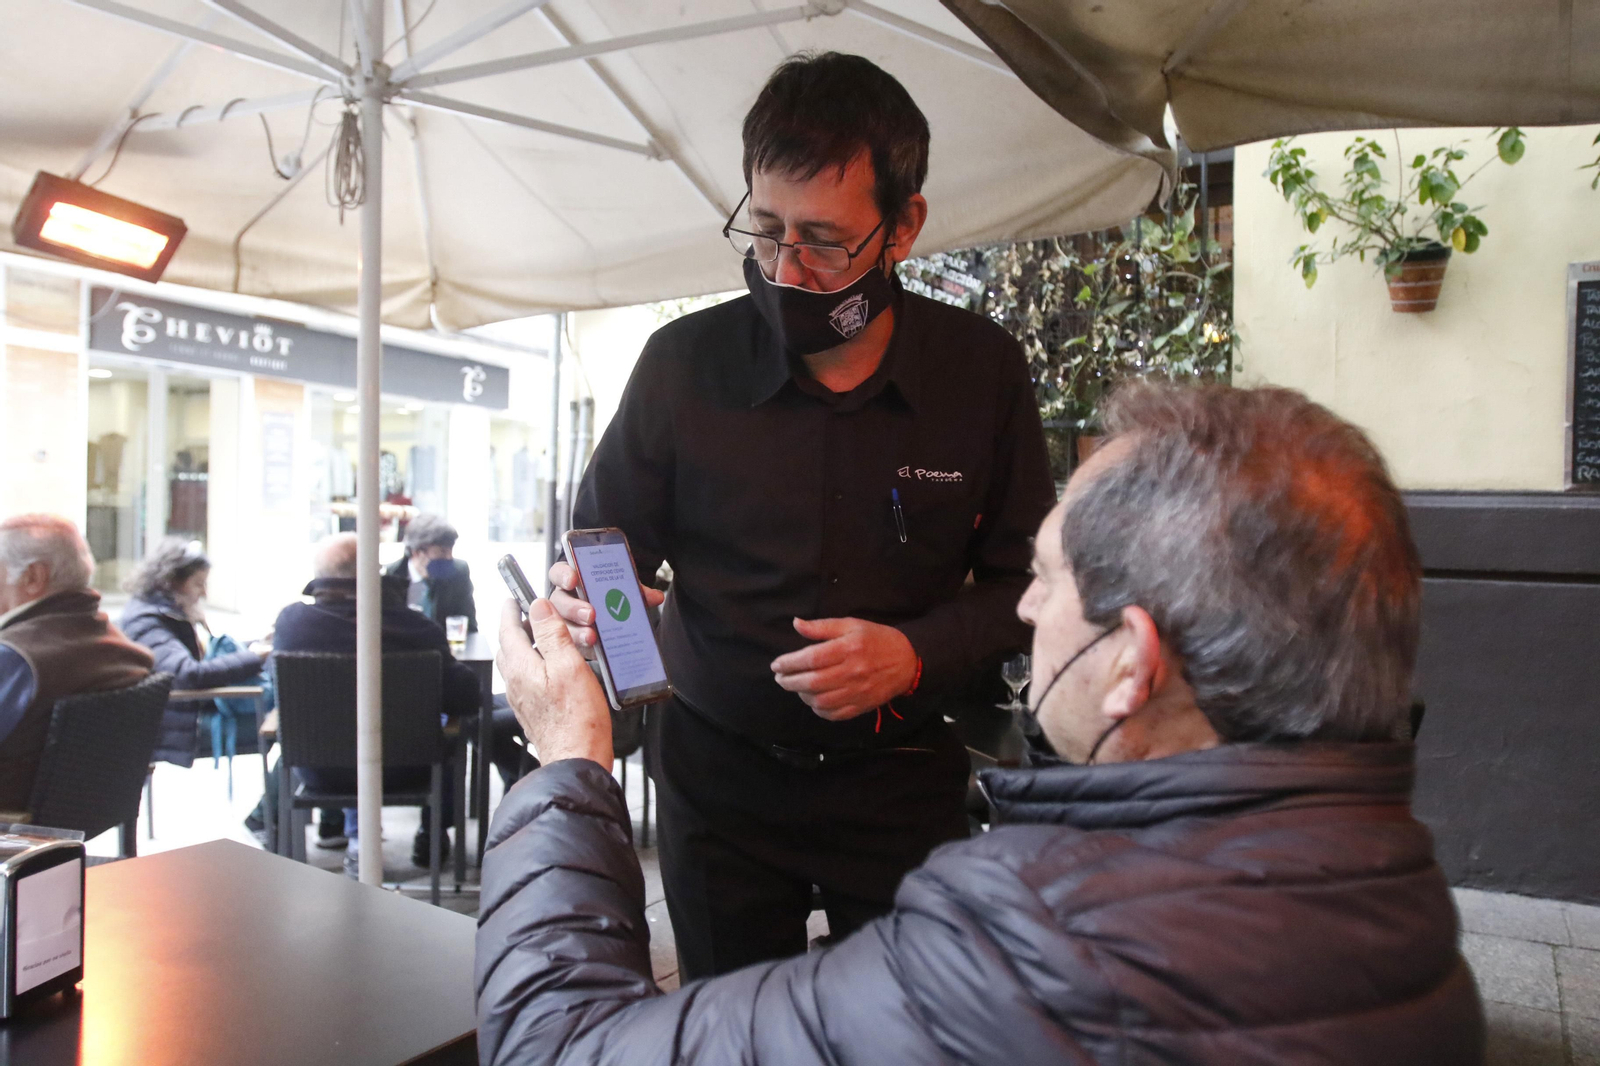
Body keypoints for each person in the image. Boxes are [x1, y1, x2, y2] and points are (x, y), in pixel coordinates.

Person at [478, 382, 1485, 1065]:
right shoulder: (1406, 901)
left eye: (1046, 579)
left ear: (1131, 660)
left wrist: (570, 763)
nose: (1025, 612)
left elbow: (556, 1044)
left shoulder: (1028, 946)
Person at [547, 51, 1054, 979]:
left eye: (824, 239)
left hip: (903, 780)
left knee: (907, 1035)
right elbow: (607, 546)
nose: (787, 269)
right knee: (729, 1032)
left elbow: (1033, 587)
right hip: (717, 778)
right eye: (767, 228)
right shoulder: (680, 364)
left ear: (904, 227)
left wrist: (915, 654)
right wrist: (593, 603)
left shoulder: (979, 372)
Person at [272, 533, 494, 874]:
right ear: (372, 572)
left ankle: (348, 838)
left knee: (338, 726)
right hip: (406, 770)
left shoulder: (292, 625)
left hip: (319, 772)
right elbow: (466, 697)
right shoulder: (416, 627)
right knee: (449, 734)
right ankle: (434, 834)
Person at [0, 515, 153, 812]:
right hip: (85, 813)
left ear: (33, 577)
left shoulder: (17, 657)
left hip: (14, 825)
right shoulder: (120, 645)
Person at [119, 537, 271, 769]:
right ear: (172, 583)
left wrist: (255, 646)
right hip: (177, 727)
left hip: (183, 716)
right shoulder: (148, 623)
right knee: (294, 726)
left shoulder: (160, 614)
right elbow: (188, 674)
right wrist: (254, 657)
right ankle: (271, 806)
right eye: (198, 584)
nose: (204, 593)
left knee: (289, 723)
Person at [388, 513, 478, 633]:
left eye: (451, 550)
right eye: (442, 551)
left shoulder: (458, 572)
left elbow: (469, 627)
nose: (449, 557)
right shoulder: (392, 575)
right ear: (417, 552)